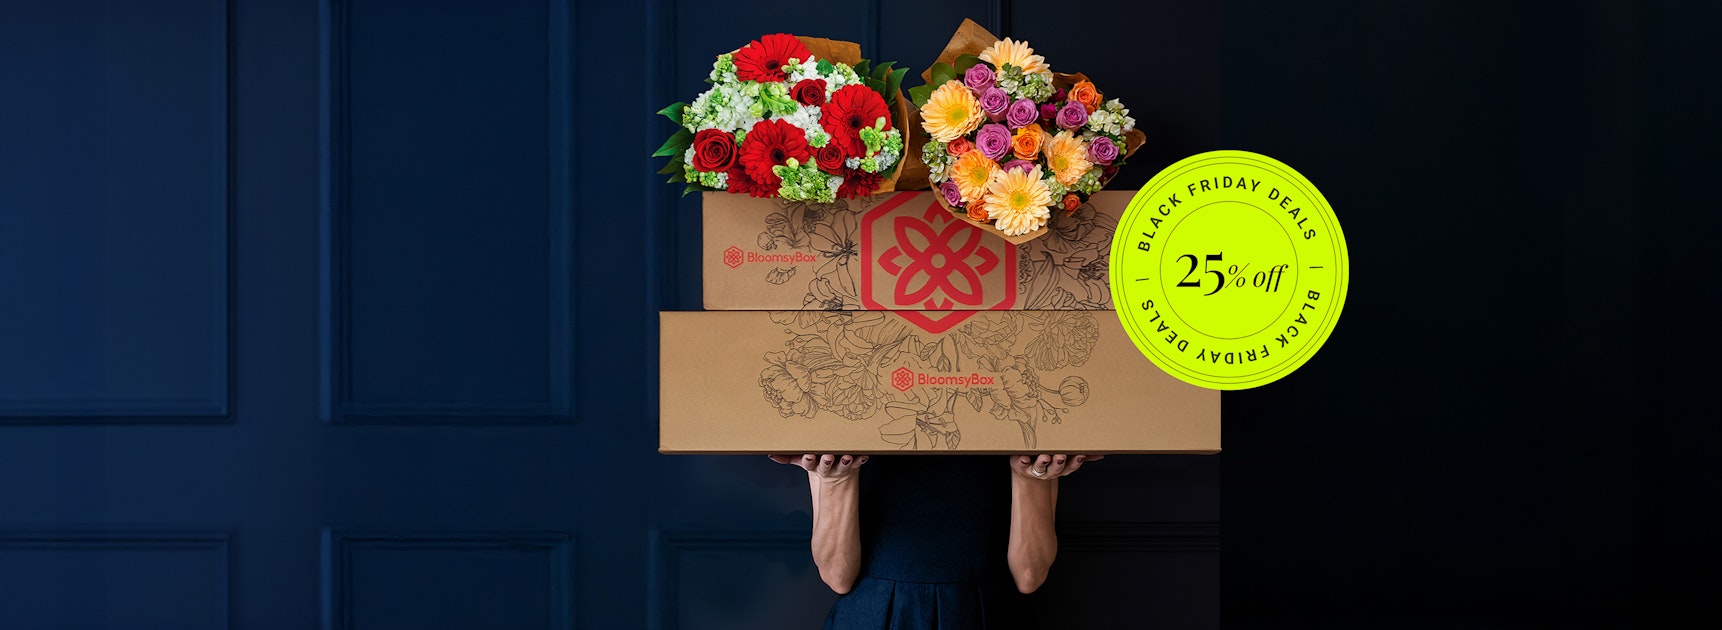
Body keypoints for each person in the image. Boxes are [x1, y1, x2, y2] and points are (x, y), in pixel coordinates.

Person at [769, 452, 1102, 629]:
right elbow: (837, 576)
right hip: (870, 616)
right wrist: (838, 480)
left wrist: (1030, 477)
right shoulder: (839, 413)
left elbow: (1030, 576)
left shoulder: (1020, 411)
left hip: (990, 615)